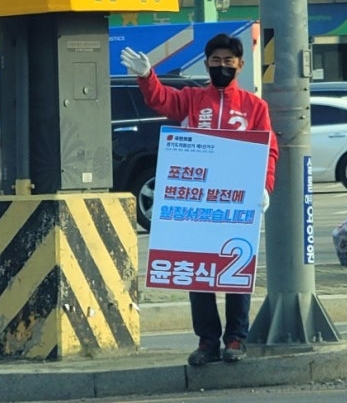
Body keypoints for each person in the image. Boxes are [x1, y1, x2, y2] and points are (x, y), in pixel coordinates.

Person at [120, 33, 279, 366]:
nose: (222, 66)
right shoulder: (191, 99)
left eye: (228, 61)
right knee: (199, 274)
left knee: (237, 271)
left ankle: (236, 338)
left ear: (240, 64)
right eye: (216, 61)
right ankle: (207, 341)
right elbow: (161, 100)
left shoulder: (254, 106)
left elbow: (269, 151)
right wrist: (146, 76)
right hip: (199, 203)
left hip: (237, 203)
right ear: (207, 63)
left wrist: (264, 186)